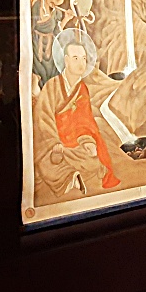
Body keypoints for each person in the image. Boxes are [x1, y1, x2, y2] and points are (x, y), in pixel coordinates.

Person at [34, 37, 121, 197]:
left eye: (84, 59)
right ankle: (70, 177)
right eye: (75, 58)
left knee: (93, 160)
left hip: (74, 143)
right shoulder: (52, 86)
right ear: (66, 60)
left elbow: (85, 121)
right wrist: (54, 143)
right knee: (46, 163)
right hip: (52, 140)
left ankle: (72, 175)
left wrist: (88, 141)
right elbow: (43, 118)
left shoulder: (82, 89)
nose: (81, 63)